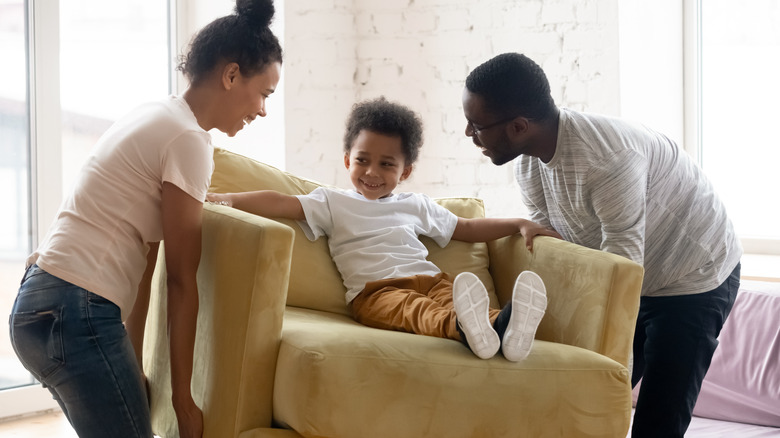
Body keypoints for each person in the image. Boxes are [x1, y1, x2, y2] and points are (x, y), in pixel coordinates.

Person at [8, 1, 282, 437]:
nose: (263, 110)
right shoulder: (188, 141)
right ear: (231, 76)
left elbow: (146, 261)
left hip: (37, 305)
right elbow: (180, 281)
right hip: (76, 311)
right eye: (265, 93)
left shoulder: (156, 114)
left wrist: (131, 364)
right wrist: (183, 400)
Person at [461, 52, 742, 437]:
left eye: (475, 125)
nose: (468, 134)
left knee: (657, 421)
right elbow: (563, 252)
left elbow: (620, 278)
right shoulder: (528, 165)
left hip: (692, 277)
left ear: (519, 126)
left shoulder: (607, 162)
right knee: (580, 401)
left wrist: (605, 363)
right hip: (634, 271)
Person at [207, 97, 559, 361]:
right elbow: (280, 202)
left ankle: (505, 328)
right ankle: (467, 330)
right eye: (362, 161)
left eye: (386, 164)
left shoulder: (415, 205)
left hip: (431, 278)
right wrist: (226, 200)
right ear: (348, 160)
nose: (372, 172)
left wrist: (518, 222)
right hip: (375, 293)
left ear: (404, 172)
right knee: (417, 311)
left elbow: (464, 227)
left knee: (450, 296)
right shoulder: (332, 202)